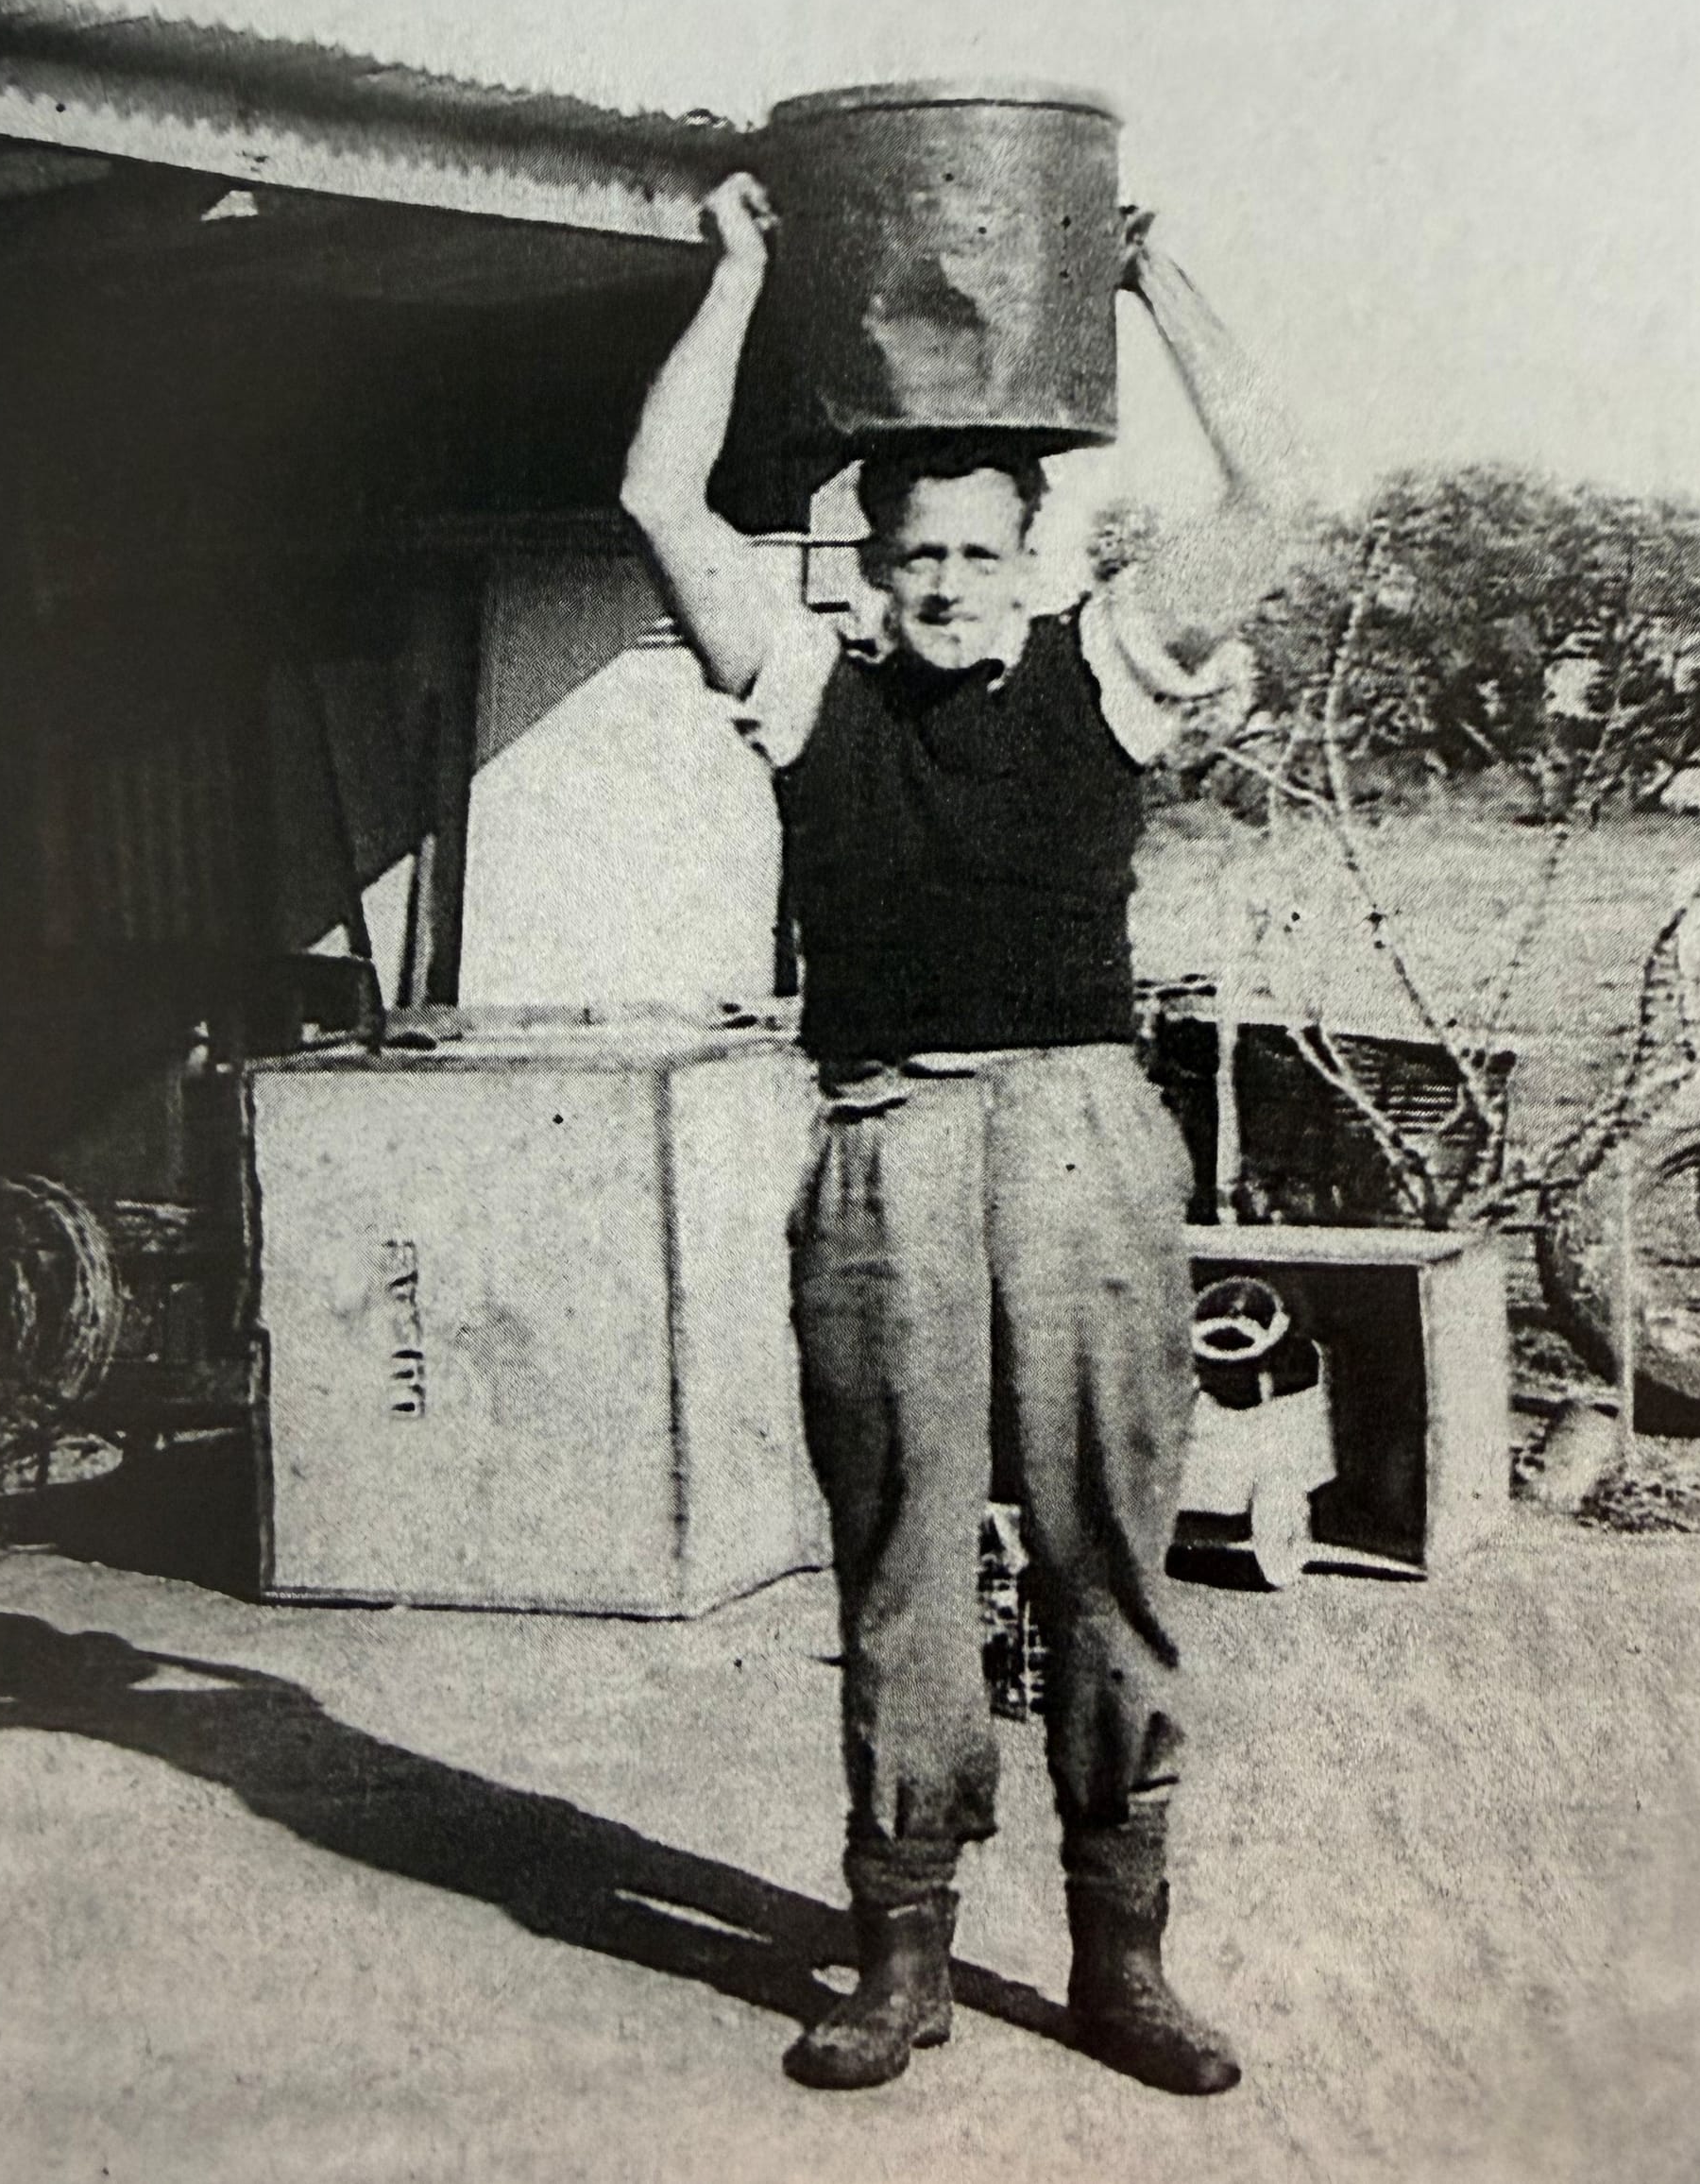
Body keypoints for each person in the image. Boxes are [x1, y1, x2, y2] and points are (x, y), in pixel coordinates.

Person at [620, 171, 1311, 2095]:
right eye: (913, 555)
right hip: (885, 1143)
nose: (943, 585)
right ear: (870, 563)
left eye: (976, 554)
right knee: (902, 1564)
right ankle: (900, 1948)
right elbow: (659, 503)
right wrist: (741, 279)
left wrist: (1157, 279)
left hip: (1083, 1137)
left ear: (1032, 555)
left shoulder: (1111, 668)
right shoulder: (805, 689)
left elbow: (1278, 500)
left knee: (1107, 1550)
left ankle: (1121, 1955)